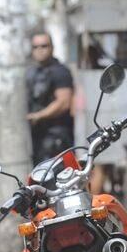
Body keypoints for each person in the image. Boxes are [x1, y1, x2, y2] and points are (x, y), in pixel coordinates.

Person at [25, 32, 75, 165]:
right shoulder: (33, 72)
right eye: (35, 47)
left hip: (57, 137)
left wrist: (38, 116)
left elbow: (64, 102)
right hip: (38, 138)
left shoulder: (60, 71)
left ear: (52, 47)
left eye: (44, 46)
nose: (39, 50)